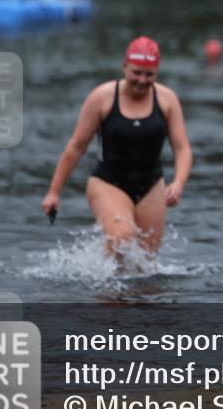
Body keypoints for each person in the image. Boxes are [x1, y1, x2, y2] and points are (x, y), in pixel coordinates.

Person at [42, 36, 192, 266]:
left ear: (157, 73)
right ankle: (108, 296)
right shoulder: (102, 97)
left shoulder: (167, 100)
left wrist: (179, 183)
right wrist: (54, 192)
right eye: (136, 72)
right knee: (123, 236)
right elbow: (76, 147)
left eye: (149, 74)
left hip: (152, 186)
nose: (142, 80)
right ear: (125, 67)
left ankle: (129, 296)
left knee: (145, 265)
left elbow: (182, 148)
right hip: (107, 183)